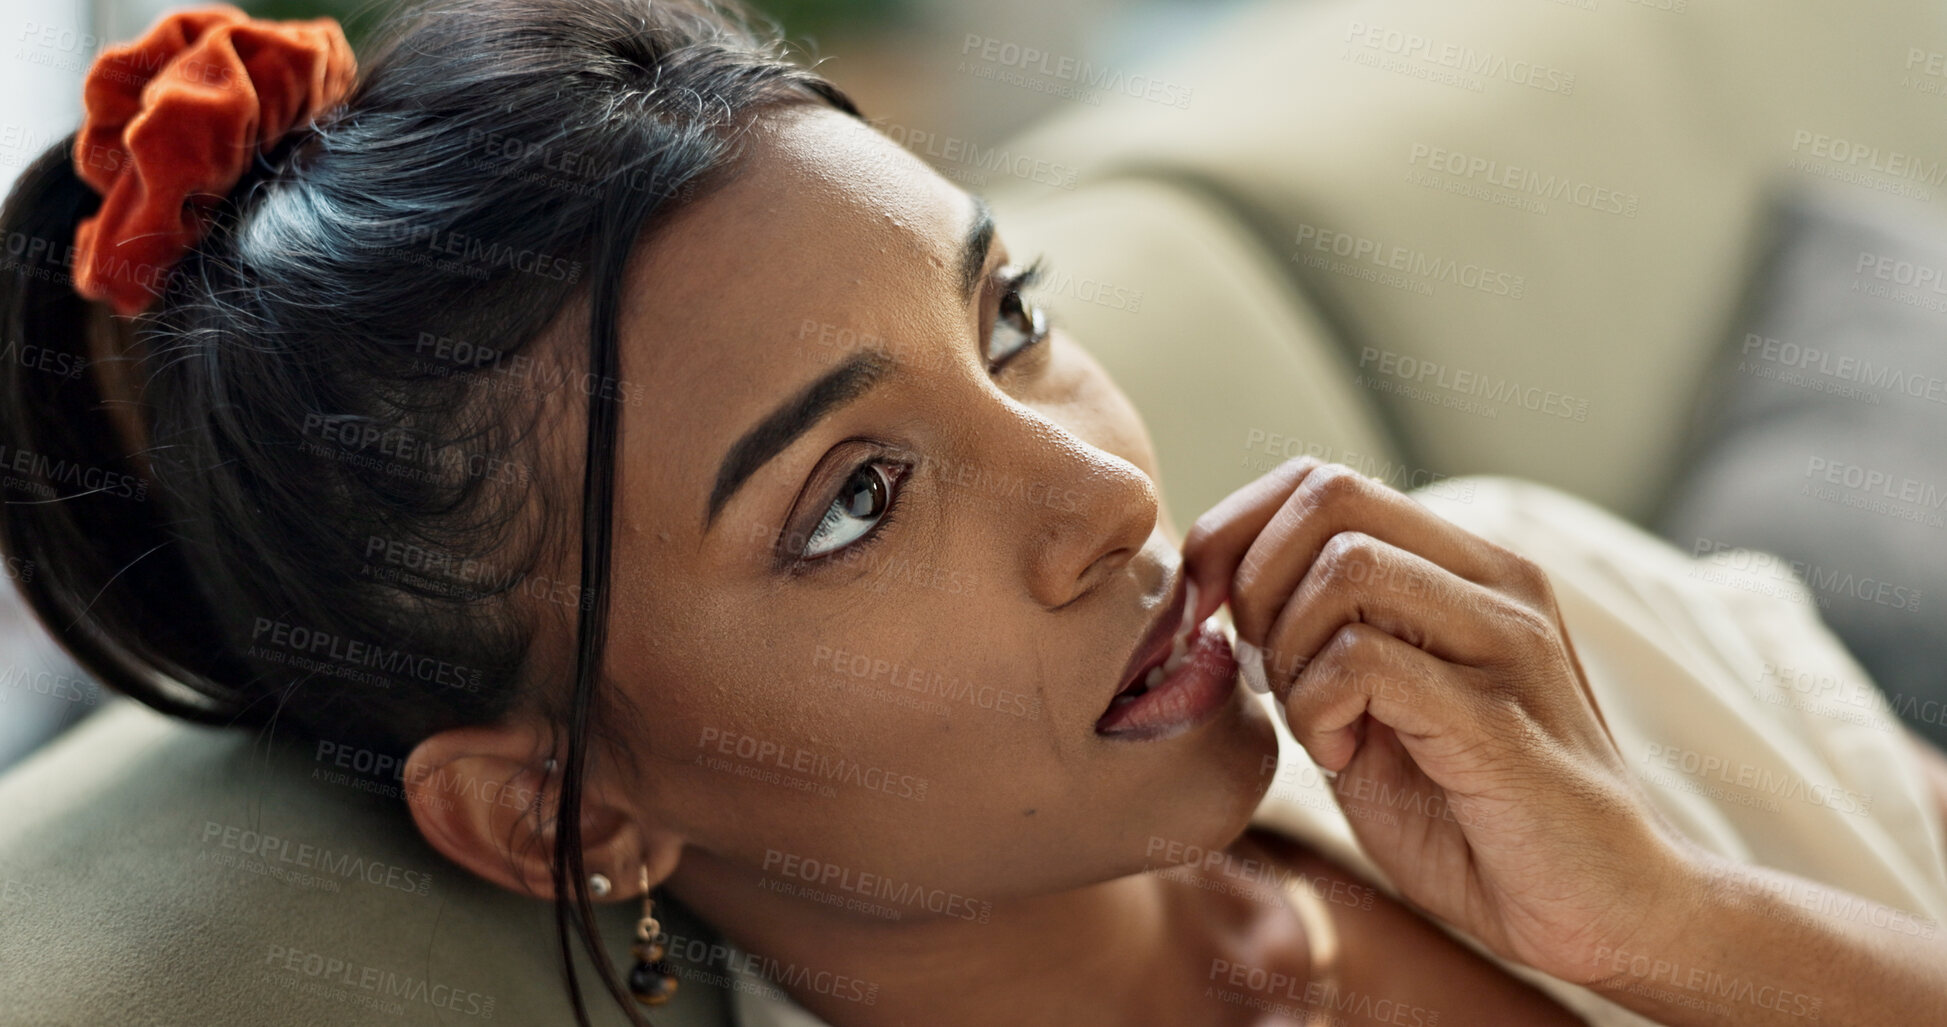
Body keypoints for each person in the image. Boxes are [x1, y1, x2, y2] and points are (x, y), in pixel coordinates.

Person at [1, 2, 1943, 1025]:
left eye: (1005, 319)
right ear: (571, 811)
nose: (1103, 488)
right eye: (851, 500)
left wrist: (1686, 930)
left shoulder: (1527, 627)